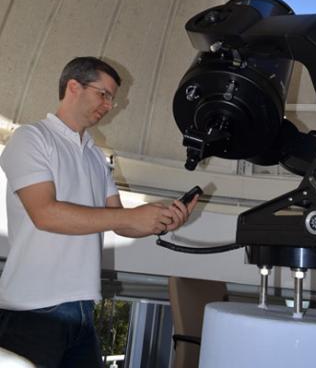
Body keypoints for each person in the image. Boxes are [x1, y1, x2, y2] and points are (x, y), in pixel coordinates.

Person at [0, 57, 198, 367]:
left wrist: (159, 220)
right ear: (73, 87)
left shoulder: (96, 155)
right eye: (103, 94)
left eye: (112, 99)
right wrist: (131, 217)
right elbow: (45, 214)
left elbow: (119, 222)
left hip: (83, 312)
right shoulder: (31, 138)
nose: (109, 106)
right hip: (32, 311)